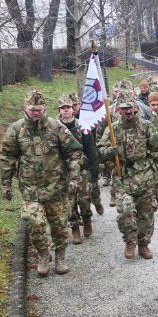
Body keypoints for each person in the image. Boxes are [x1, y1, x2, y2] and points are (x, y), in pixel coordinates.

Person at [0, 90, 83, 277]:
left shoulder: (57, 127)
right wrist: (6, 184)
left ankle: (60, 255)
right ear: (25, 108)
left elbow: (74, 152)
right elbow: (8, 156)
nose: (36, 112)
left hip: (56, 187)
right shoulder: (16, 129)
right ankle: (44, 254)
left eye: (39, 109)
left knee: (59, 225)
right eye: (32, 109)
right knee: (33, 222)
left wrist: (75, 176)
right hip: (31, 189)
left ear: (44, 108)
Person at [97, 89, 158, 260]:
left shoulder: (146, 126)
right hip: (123, 179)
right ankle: (130, 241)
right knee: (125, 212)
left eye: (130, 107)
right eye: (123, 108)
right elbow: (99, 151)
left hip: (145, 178)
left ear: (135, 106)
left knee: (146, 214)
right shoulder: (112, 129)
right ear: (118, 110)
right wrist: (110, 151)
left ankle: (143, 244)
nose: (127, 111)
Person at [57, 94, 98, 244]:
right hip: (64, 170)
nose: (66, 110)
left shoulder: (82, 126)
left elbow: (91, 149)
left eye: (68, 107)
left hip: (82, 168)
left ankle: (87, 218)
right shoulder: (55, 128)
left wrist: (94, 172)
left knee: (84, 198)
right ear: (59, 110)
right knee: (69, 201)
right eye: (63, 108)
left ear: (72, 110)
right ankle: (74, 227)